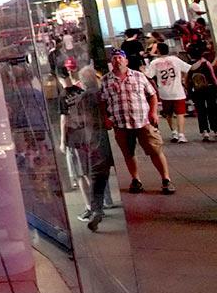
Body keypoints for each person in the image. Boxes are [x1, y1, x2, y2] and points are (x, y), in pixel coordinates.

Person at [100, 49, 174, 194]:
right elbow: (102, 101)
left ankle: (166, 179)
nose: (117, 60)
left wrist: (153, 112)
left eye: (120, 57)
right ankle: (136, 180)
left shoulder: (139, 76)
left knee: (155, 150)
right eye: (114, 58)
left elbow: (152, 95)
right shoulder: (105, 80)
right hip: (121, 124)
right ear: (111, 62)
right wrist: (106, 118)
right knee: (128, 153)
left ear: (126, 61)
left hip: (143, 121)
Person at [59, 64, 114, 231]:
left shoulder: (82, 99)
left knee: (96, 176)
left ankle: (96, 209)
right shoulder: (104, 94)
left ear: (82, 81)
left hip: (93, 141)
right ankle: (106, 202)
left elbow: (77, 121)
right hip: (109, 139)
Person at [145, 42, 191, 142]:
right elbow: (188, 68)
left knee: (168, 114)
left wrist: (142, 70)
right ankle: (181, 135)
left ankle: (174, 133)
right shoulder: (175, 59)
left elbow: (149, 75)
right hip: (178, 91)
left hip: (164, 93)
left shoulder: (154, 62)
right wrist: (183, 79)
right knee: (180, 114)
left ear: (158, 51)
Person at [186, 42, 217, 141]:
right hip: (209, 89)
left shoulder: (189, 65)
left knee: (201, 110)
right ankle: (215, 129)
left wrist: (189, 92)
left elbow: (187, 80)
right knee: (212, 109)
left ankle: (204, 131)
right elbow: (213, 77)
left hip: (197, 90)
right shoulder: (206, 63)